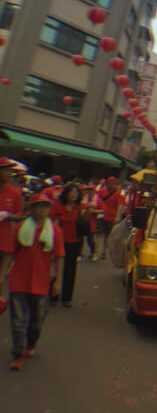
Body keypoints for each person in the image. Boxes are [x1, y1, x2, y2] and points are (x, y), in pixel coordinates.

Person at [8, 193, 64, 370]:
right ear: (31, 209)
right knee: (18, 320)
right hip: (19, 280)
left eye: (46, 206)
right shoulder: (20, 228)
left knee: (36, 321)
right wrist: (2, 275)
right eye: (39, 206)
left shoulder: (55, 231)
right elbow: (10, 253)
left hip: (41, 282)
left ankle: (31, 343)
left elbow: (60, 256)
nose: (42, 210)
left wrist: (57, 281)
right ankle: (18, 353)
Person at [50, 184, 83, 308]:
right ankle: (53, 294)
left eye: (76, 192)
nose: (74, 194)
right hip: (59, 241)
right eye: (71, 191)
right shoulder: (58, 206)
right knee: (55, 268)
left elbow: (81, 224)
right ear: (66, 193)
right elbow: (55, 224)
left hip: (73, 242)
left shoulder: (78, 208)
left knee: (70, 270)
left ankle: (67, 298)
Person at [0, 156, 26, 305]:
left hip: (5, 243)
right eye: (7, 170)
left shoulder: (15, 193)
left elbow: (21, 215)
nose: (10, 173)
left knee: (1, 278)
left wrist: (9, 216)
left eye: (11, 170)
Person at [97, 178, 124, 260]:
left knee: (107, 235)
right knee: (97, 233)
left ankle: (104, 251)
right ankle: (95, 251)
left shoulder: (118, 194)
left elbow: (120, 206)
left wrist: (117, 216)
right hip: (100, 215)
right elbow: (97, 201)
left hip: (111, 217)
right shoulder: (102, 191)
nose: (111, 184)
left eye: (113, 183)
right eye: (109, 183)